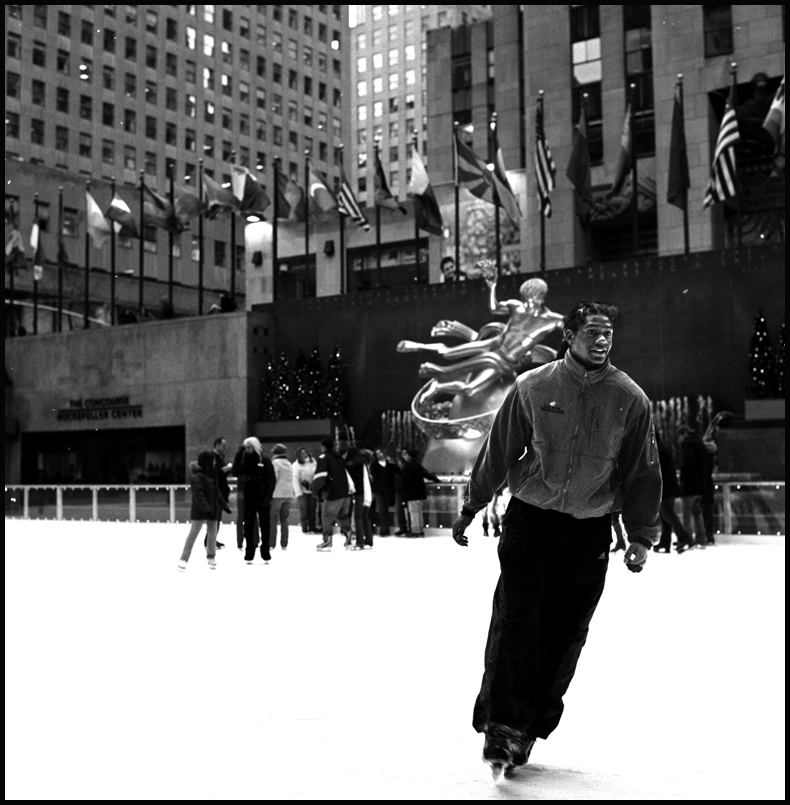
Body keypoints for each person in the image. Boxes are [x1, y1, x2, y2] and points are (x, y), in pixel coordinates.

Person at [451, 300, 661, 778]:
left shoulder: (630, 399)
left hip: (588, 532)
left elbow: (642, 472)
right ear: (569, 336)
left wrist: (643, 536)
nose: (602, 339)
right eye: (591, 331)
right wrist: (472, 505)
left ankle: (529, 726)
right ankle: (503, 724)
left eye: (608, 332)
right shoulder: (534, 386)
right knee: (516, 622)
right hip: (531, 523)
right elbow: (499, 449)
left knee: (565, 633)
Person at [397, 270, 565, 406]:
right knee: (447, 353)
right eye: (523, 299)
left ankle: (438, 387)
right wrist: (492, 286)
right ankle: (418, 346)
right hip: (492, 344)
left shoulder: (553, 320)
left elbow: (571, 332)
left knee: (469, 389)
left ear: (539, 297)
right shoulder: (516, 306)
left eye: (528, 300)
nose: (525, 304)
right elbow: (494, 307)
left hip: (504, 361)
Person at [231, 437, 276, 565]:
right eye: (246, 448)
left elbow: (271, 479)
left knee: (265, 525)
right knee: (249, 524)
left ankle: (265, 549)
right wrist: (239, 454)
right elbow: (235, 472)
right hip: (249, 495)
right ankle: (249, 549)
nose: (247, 450)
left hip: (263, 496)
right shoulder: (244, 462)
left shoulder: (265, 461)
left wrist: (268, 496)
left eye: (249, 447)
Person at [178, 450, 222, 571]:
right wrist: (206, 509)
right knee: (193, 534)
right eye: (212, 460)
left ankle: (211, 556)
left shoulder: (213, 474)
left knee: (212, 534)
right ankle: (184, 558)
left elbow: (216, 492)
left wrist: (222, 504)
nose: (214, 462)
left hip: (212, 509)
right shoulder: (197, 476)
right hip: (200, 510)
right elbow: (199, 495)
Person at [653, 430, 694, 553]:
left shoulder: (659, 452)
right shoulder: (662, 450)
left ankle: (685, 537)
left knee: (667, 514)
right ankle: (665, 543)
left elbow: (659, 473)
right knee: (665, 515)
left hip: (666, 489)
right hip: (668, 488)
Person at [312, 436, 352, 551]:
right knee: (343, 515)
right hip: (345, 492)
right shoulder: (339, 458)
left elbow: (320, 476)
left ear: (323, 446)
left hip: (333, 491)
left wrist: (315, 490)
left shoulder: (324, 458)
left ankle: (327, 540)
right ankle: (348, 534)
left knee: (327, 515)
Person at [677, 425, 710, 549]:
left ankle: (689, 540)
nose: (679, 440)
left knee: (686, 516)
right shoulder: (700, 444)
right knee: (697, 514)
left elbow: (688, 462)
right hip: (700, 486)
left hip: (690, 487)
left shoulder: (688, 444)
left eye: (679, 436)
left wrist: (683, 474)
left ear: (684, 434)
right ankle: (702, 540)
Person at [400, 448, 440, 537]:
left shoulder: (408, 466)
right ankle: (420, 529)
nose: (405, 457)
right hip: (420, 493)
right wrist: (436, 479)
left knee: (414, 512)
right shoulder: (417, 465)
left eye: (406, 455)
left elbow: (404, 481)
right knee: (418, 512)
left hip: (412, 494)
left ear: (409, 456)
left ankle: (415, 530)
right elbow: (426, 474)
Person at [204, 437, 232, 550]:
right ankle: (209, 541)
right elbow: (213, 473)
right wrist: (226, 469)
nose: (225, 448)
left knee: (217, 518)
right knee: (215, 517)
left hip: (220, 491)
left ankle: (211, 540)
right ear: (216, 445)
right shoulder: (211, 458)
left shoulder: (220, 458)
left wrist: (227, 470)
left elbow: (220, 475)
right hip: (215, 492)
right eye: (223, 446)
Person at [345, 446, 374, 549]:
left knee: (357, 517)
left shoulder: (348, 465)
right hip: (365, 492)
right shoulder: (362, 465)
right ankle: (369, 540)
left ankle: (360, 541)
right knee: (364, 516)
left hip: (355, 493)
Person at [269, 443, 295, 550]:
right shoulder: (289, 463)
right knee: (284, 519)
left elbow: (273, 478)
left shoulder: (275, 463)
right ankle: (284, 543)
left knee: (273, 519)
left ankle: (271, 543)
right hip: (288, 494)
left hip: (277, 494)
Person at [369, 448, 399, 536]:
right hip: (378, 490)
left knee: (386, 509)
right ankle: (384, 528)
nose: (379, 455)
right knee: (381, 509)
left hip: (388, 489)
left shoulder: (390, 464)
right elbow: (372, 473)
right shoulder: (374, 465)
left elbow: (395, 472)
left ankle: (385, 527)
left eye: (380, 453)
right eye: (377, 454)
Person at [292, 448, 318, 534]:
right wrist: (298, 492)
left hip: (312, 489)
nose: (305, 454)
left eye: (305, 452)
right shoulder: (296, 465)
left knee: (312, 509)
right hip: (302, 491)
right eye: (302, 453)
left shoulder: (313, 462)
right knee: (304, 509)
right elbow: (295, 479)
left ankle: (312, 526)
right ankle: (304, 527)